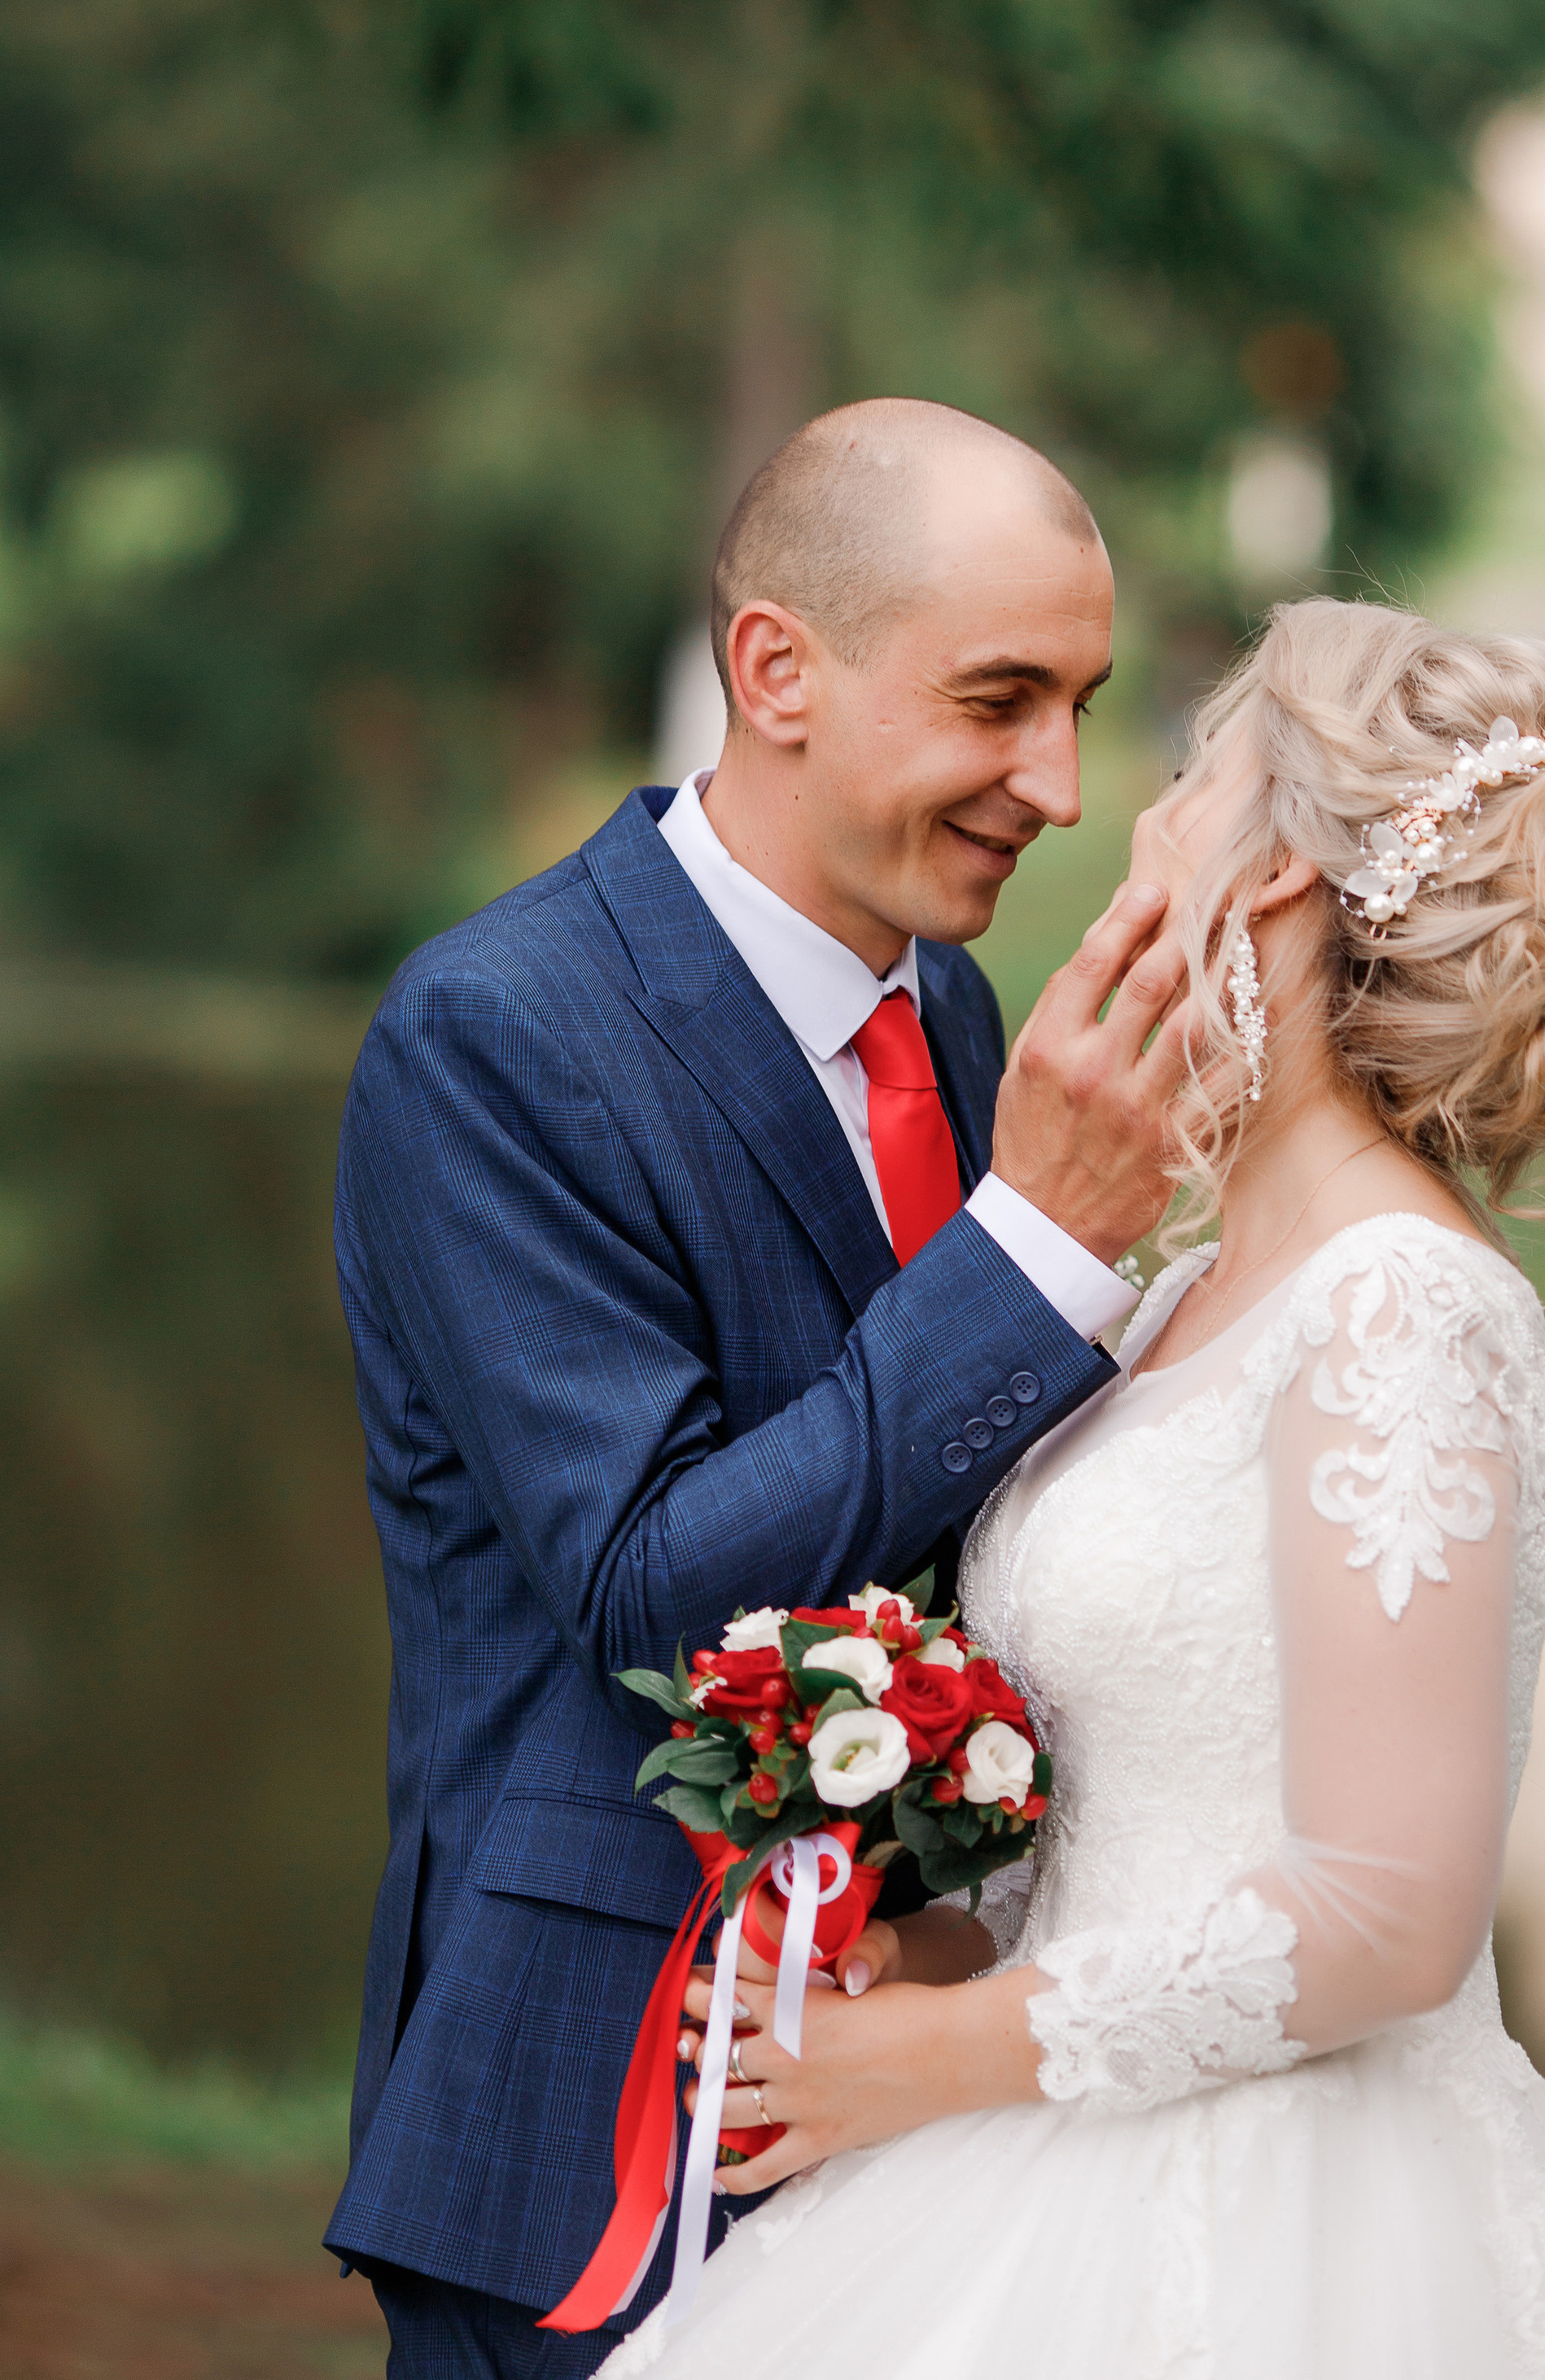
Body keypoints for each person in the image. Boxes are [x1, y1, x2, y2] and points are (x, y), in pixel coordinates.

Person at [624, 597, 1545, 2380]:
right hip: (1032, 2136)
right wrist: (934, 1945)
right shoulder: (1167, 1291)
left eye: (1186, 778)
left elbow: (1386, 1913)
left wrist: (936, 2059)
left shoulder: (1401, 1305)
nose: (1129, 823)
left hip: (1293, 2221)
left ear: (1278, 872)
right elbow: (1158, 1780)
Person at [326, 400, 1210, 2373]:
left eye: (1079, 704)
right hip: (596, 2086)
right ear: (775, 669)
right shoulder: (495, 1035)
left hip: (911, 2079)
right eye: (999, 702)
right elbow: (655, 1588)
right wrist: (1036, 1252)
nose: (1056, 783)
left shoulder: (955, 1013)